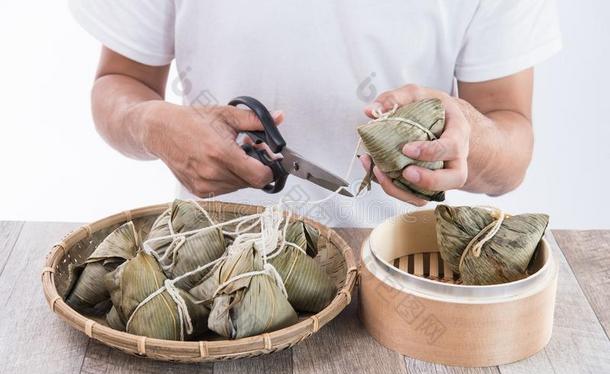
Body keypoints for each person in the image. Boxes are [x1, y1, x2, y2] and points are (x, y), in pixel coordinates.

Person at [69, 0, 561, 227]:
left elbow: (512, 146)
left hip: (400, 273)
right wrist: (152, 124)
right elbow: (120, 84)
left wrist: (469, 134)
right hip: (211, 270)